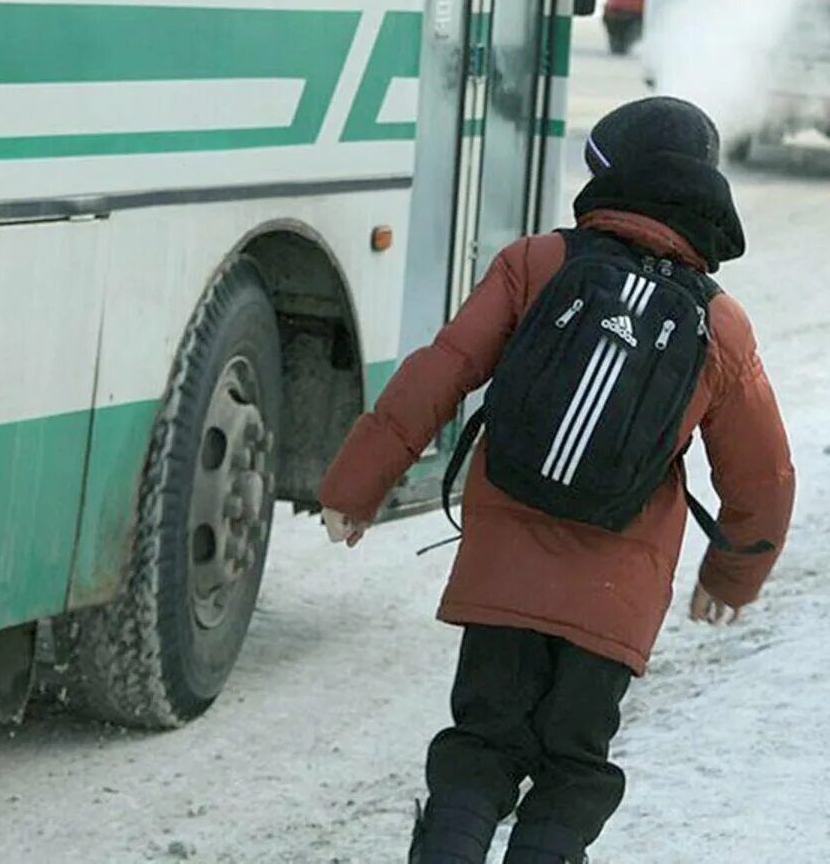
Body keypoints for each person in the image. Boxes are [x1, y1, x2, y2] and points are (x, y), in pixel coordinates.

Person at [318, 97, 797, 864]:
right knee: (572, 769)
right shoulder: (719, 325)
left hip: (502, 573)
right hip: (615, 601)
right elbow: (765, 475)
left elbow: (440, 370)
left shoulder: (538, 262)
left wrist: (356, 486)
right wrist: (731, 575)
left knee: (481, 747)